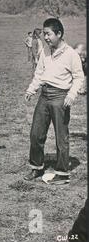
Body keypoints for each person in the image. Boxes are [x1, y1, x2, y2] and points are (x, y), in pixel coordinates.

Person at [24, 18, 84, 185]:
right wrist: (31, 89)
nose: (46, 37)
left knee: (61, 137)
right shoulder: (46, 51)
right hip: (44, 95)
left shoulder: (71, 54)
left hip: (60, 98)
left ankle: (62, 173)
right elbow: (39, 73)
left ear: (59, 33)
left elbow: (79, 77)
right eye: (44, 34)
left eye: (48, 34)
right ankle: (36, 167)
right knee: (36, 134)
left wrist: (72, 95)